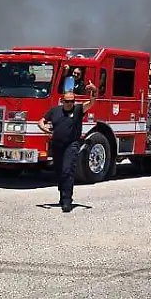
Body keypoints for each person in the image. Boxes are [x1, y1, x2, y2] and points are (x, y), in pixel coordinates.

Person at [38, 84, 97, 212]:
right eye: (67, 101)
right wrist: (45, 129)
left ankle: (67, 200)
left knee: (67, 171)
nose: (70, 103)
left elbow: (91, 103)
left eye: (72, 101)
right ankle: (62, 195)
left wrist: (93, 91)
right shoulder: (54, 111)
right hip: (57, 145)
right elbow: (41, 121)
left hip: (72, 144)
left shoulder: (78, 110)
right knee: (59, 172)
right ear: (62, 101)